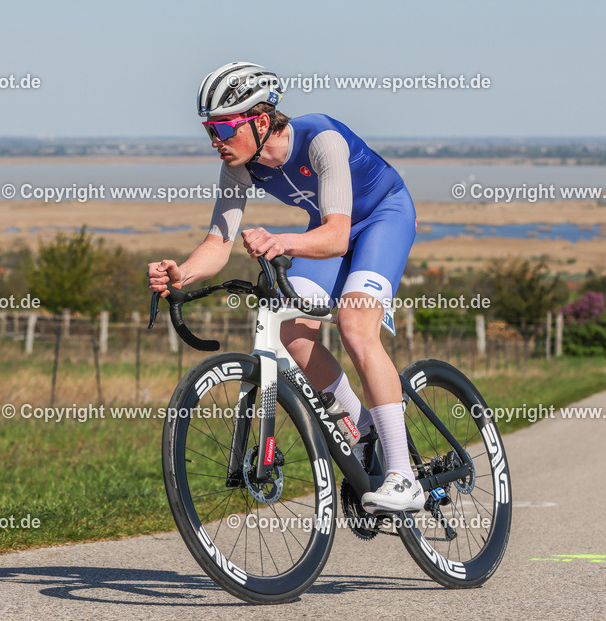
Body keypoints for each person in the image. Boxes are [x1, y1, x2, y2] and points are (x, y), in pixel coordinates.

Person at [147, 61, 420, 512]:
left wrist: (281, 241)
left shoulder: (321, 140)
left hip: (382, 218)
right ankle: (361, 424)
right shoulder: (240, 166)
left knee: (354, 326)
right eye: (208, 130)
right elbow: (218, 242)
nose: (215, 141)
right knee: (291, 331)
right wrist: (183, 274)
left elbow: (335, 236)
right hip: (329, 230)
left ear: (257, 120)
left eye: (222, 128)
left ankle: (403, 477)